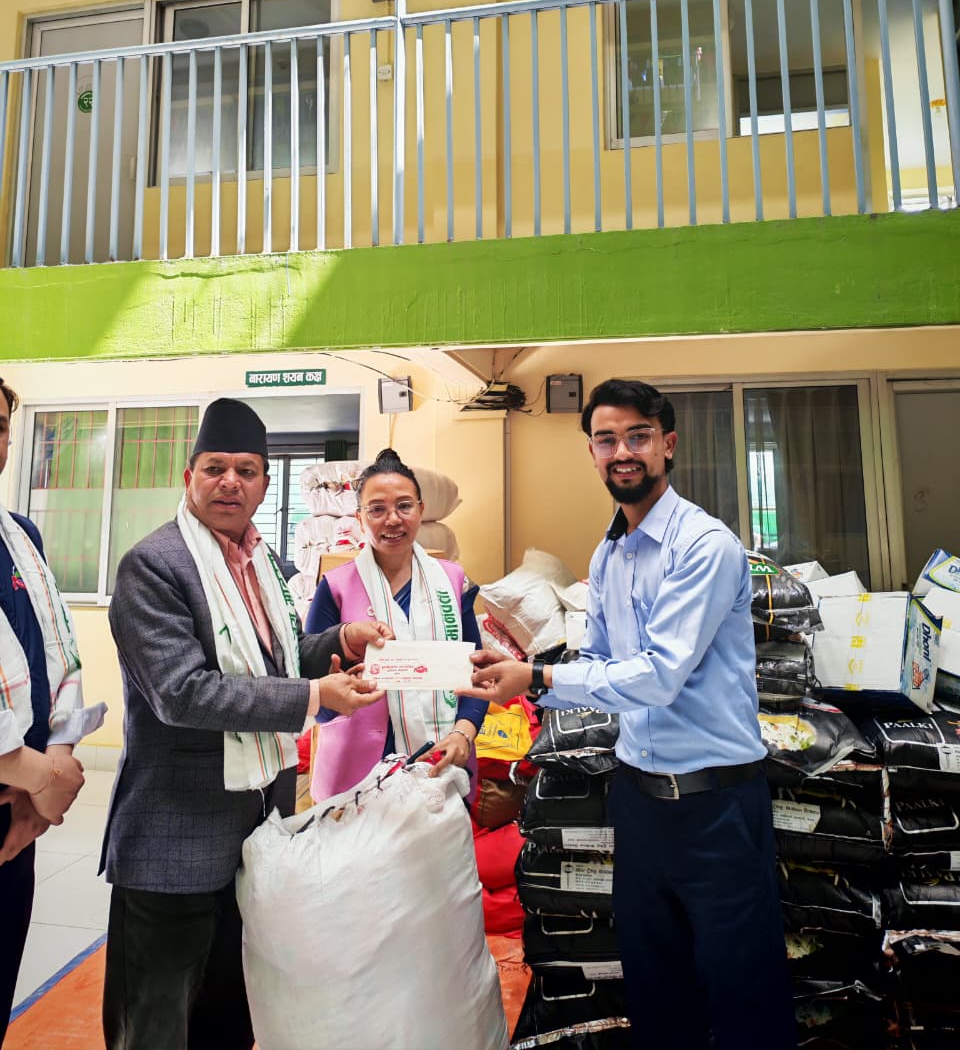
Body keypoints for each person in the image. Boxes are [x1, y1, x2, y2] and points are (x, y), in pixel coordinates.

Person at [463, 379, 797, 1050]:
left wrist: (537, 676)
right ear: (591, 452)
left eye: (637, 436)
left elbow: (658, 675)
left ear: (667, 445)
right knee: (655, 985)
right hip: (640, 803)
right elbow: (600, 662)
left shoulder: (704, 545)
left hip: (716, 806)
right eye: (606, 439)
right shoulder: (610, 554)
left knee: (742, 991)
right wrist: (524, 674)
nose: (622, 452)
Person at [100, 398, 387, 1050]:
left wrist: (341, 639)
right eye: (215, 468)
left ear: (263, 482)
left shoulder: (264, 562)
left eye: (246, 470)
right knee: (156, 1026)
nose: (230, 482)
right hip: (176, 841)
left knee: (231, 1020)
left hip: (256, 835)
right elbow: (183, 694)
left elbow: (272, 658)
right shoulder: (156, 565)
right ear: (189, 477)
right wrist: (314, 695)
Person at [0, 376, 105, 1044]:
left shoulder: (20, 536)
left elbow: (59, 652)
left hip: (19, 815)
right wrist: (35, 773)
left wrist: (56, 759)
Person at [305, 448, 488, 798]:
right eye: (377, 509)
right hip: (354, 775)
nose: (392, 519)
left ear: (421, 510)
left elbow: (477, 674)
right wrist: (334, 694)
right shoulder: (336, 587)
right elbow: (312, 696)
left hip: (440, 762)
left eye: (404, 506)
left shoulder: (452, 582)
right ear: (360, 518)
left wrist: (463, 733)